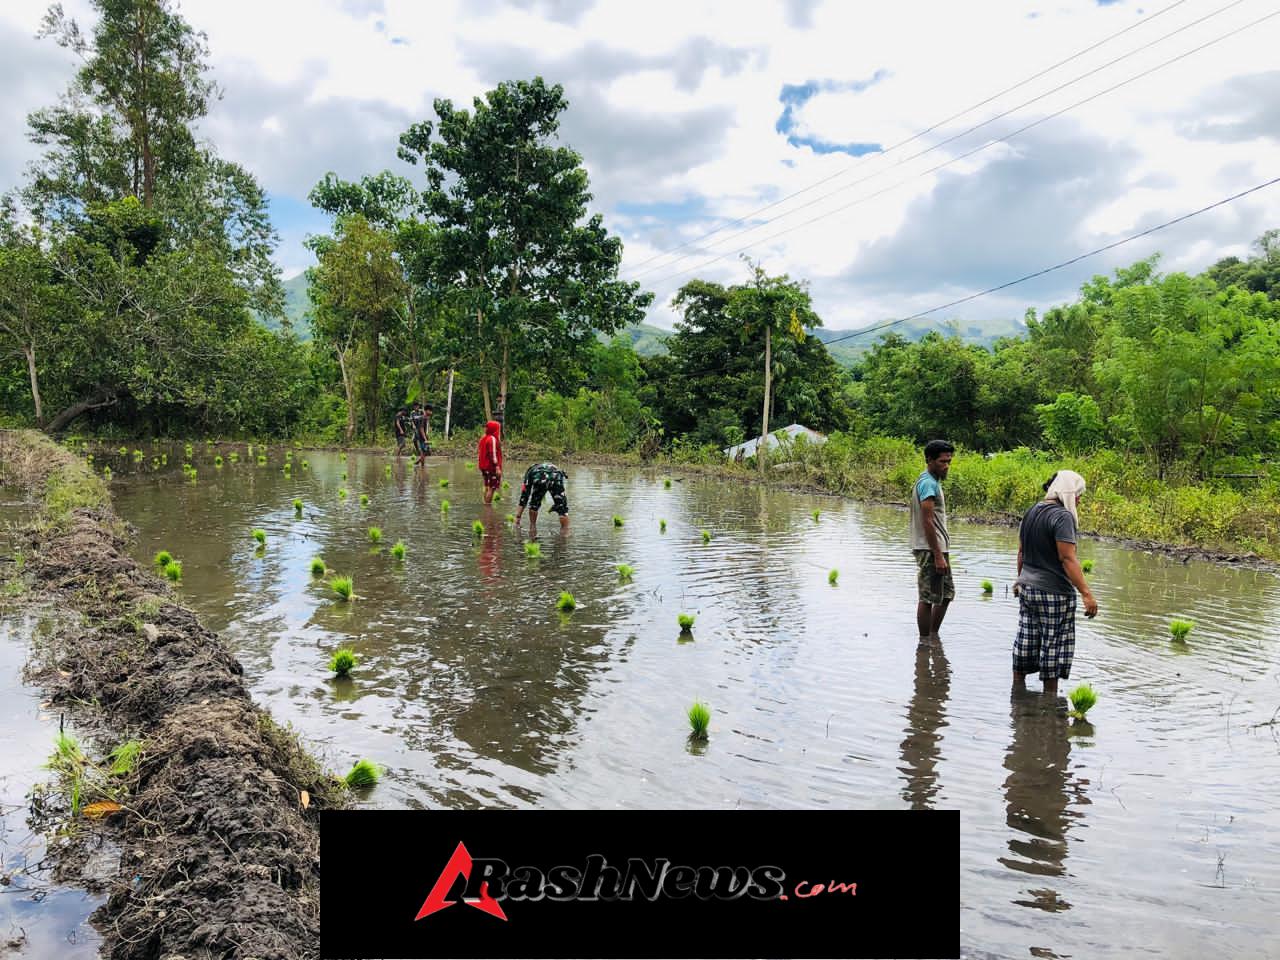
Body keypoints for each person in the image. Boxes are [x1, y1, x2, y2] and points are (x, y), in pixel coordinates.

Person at [1012, 470, 1099, 695]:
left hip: (1028, 589)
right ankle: (1050, 704)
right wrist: (1086, 593)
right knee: (1053, 646)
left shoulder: (1031, 511)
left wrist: (1019, 580)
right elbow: (1067, 558)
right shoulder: (1062, 517)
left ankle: (1018, 693)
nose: (1079, 499)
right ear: (1068, 491)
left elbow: (1021, 552)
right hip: (1054, 594)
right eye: (1078, 494)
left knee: (1026, 640)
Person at [909, 440, 955, 643]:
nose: (946, 466)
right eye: (942, 461)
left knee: (946, 594)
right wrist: (937, 555)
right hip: (930, 549)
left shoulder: (930, 480)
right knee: (928, 597)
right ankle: (925, 642)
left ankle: (933, 636)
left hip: (936, 548)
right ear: (929, 460)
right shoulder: (928, 483)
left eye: (949, 462)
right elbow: (926, 521)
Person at [514, 462, 569, 537]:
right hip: (557, 475)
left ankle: (532, 529)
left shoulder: (530, 472)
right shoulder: (551, 467)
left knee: (534, 505)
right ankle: (564, 535)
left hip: (540, 477)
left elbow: (524, 495)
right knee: (562, 508)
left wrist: (518, 517)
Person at [477, 420, 503, 505]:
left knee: (486, 485)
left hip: (484, 467)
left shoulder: (483, 438)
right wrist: (497, 467)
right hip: (491, 467)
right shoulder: (492, 439)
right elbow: (493, 454)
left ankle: (485, 504)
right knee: (492, 487)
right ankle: (488, 507)